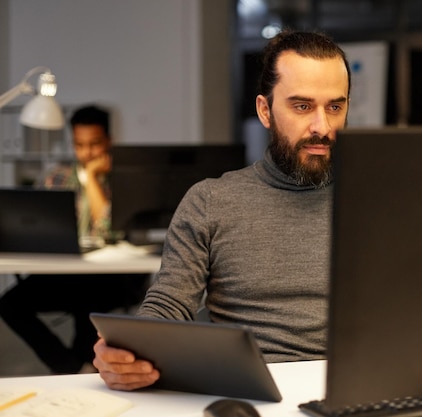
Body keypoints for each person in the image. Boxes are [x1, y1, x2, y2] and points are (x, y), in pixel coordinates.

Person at [92, 29, 351, 391]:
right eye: (303, 106)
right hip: (248, 392)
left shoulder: (373, 202)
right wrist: (128, 352)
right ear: (265, 110)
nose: (322, 127)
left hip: (350, 388)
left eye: (335, 107)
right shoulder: (211, 201)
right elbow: (169, 304)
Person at [0, 105, 150, 375]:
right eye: (79, 145)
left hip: (114, 277)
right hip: (67, 272)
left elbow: (109, 230)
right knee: (9, 304)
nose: (87, 152)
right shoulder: (58, 176)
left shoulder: (125, 180)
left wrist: (92, 178)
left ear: (108, 141)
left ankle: (80, 370)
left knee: (88, 302)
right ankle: (73, 368)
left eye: (94, 144)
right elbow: (36, 223)